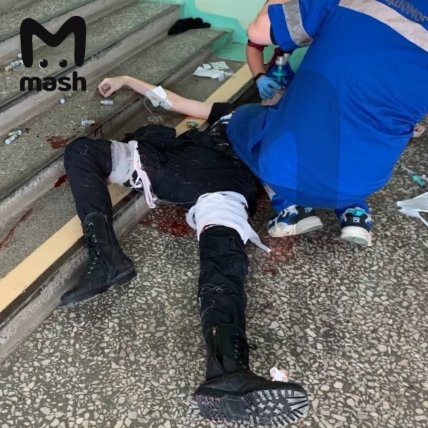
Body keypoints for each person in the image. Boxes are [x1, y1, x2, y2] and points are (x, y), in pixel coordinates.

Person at [62, 75, 309, 425]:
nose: (276, 92)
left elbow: (286, 179)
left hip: (224, 184)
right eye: (277, 89)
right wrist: (126, 79)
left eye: (284, 92)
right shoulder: (235, 112)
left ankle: (229, 369)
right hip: (175, 164)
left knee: (222, 262)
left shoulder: (286, 132)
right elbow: (173, 101)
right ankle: (105, 258)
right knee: (83, 151)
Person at [228, 0, 428, 246]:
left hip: (289, 173)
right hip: (365, 182)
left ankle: (291, 207)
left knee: (243, 120)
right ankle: (355, 213)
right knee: (348, 141)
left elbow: (258, 31)